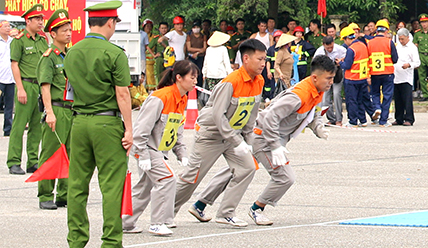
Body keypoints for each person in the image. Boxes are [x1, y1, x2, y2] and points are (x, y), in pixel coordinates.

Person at [192, 56, 334, 226]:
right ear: (315, 77)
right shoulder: (298, 95)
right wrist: (275, 146)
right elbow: (269, 117)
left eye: (332, 78)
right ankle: (257, 208)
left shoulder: (316, 90)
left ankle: (200, 204)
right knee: (284, 177)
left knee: (236, 169)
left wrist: (318, 128)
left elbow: (314, 113)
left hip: (265, 137)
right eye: (329, 78)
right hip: (264, 138)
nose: (331, 82)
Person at [64, 0, 138, 248]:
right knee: (111, 184)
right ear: (110, 23)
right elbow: (122, 94)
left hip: (79, 121)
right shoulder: (114, 53)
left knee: (77, 184)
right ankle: (110, 242)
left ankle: (76, 242)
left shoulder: (72, 52)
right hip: (106, 123)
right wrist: (129, 129)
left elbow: (70, 89)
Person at [174, 39, 267, 228]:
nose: (263, 64)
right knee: (193, 176)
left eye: (265, 59)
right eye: (260, 59)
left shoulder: (259, 81)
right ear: (246, 59)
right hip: (212, 134)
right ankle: (164, 212)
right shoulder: (231, 82)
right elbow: (218, 115)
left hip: (234, 136)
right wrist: (236, 140)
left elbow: (251, 113)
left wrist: (247, 141)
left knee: (247, 167)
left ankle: (226, 213)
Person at [122, 60, 198, 237]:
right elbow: (141, 130)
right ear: (179, 78)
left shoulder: (182, 98)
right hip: (146, 148)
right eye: (192, 77)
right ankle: (158, 223)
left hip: (158, 150)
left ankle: (125, 222)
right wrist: (143, 155)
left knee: (144, 188)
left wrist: (182, 153)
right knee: (167, 179)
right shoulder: (160, 97)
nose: (195, 81)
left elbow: (176, 130)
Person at [37, 9, 73, 210]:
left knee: (69, 152)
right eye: (64, 30)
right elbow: (45, 86)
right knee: (51, 152)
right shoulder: (49, 57)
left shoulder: (69, 55)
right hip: (57, 108)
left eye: (69, 30)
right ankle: (45, 194)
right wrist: (49, 112)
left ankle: (63, 194)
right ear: (53, 33)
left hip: (71, 109)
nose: (68, 33)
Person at [7, 3, 48, 175]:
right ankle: (14, 161)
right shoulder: (20, 40)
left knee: (36, 126)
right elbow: (14, 65)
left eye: (41, 19)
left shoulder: (42, 40)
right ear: (27, 20)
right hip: (26, 84)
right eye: (37, 19)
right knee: (19, 125)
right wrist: (21, 89)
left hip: (39, 87)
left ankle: (33, 161)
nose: (40, 22)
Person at [340, 26, 375, 126]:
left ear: (347, 38)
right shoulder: (363, 45)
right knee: (360, 100)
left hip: (351, 79)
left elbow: (347, 65)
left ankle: (353, 121)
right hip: (362, 78)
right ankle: (363, 120)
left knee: (352, 101)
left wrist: (340, 63)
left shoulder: (351, 49)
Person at [368, 19, 398, 125]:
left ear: (376, 31)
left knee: (375, 93)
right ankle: (383, 120)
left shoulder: (369, 43)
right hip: (387, 73)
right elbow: (395, 59)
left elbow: (367, 58)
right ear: (386, 31)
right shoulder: (389, 42)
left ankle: (377, 107)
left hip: (374, 73)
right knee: (387, 96)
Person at [315, 35, 347, 126]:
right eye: (327, 48)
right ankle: (331, 118)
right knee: (325, 98)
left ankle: (338, 119)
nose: (329, 49)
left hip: (337, 75)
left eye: (331, 47)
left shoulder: (340, 49)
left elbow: (348, 56)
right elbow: (315, 64)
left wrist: (341, 60)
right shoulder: (319, 51)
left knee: (336, 94)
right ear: (323, 45)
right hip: (325, 76)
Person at [393, 29, 420, 126]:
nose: (401, 41)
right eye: (399, 39)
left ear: (408, 37)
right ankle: (398, 118)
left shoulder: (412, 48)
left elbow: (417, 62)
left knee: (407, 99)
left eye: (403, 39)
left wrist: (409, 65)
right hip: (396, 76)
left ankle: (409, 118)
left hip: (406, 77)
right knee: (398, 99)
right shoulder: (397, 47)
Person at [0, 20, 13, 136]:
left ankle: (8, 129)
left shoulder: (13, 42)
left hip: (11, 79)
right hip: (0, 79)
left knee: (9, 106)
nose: (8, 28)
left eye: (9, 26)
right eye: (5, 26)